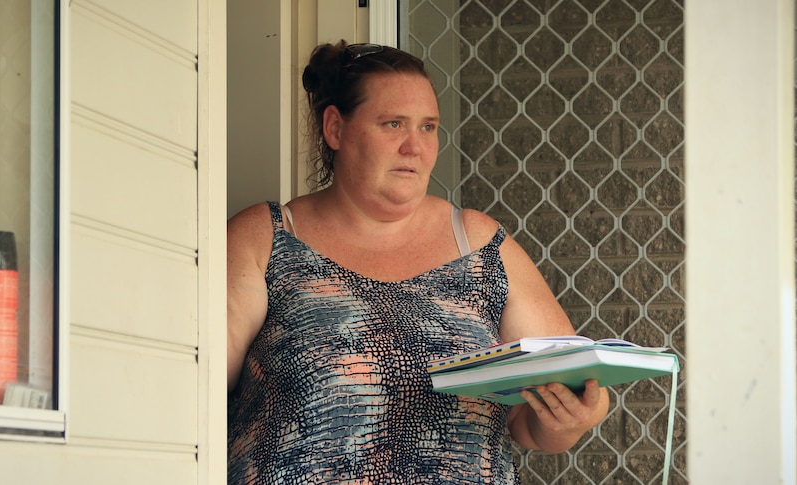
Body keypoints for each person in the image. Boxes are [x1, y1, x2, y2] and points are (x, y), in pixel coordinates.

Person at [227, 40, 608, 483]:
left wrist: (570, 418)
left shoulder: (480, 243)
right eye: (394, 124)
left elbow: (537, 416)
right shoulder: (267, 237)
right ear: (335, 128)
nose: (415, 146)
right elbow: (191, 392)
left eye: (428, 127)